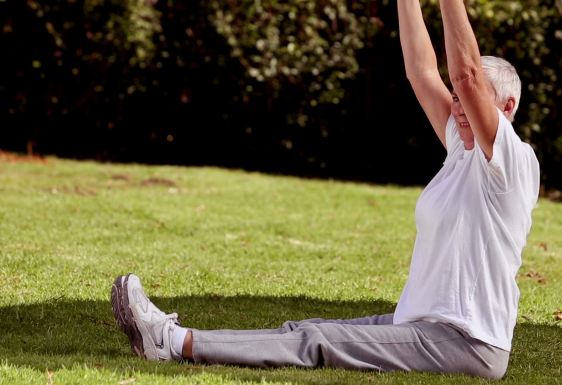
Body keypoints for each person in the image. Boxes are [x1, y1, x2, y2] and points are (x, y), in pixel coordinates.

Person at [110, 0, 539, 380]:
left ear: (507, 108)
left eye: (474, 100)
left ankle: (173, 341)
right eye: (459, 102)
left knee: (317, 341)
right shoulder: (460, 152)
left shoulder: (512, 163)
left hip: (465, 341)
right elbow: (422, 71)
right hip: (420, 325)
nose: (460, 108)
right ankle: (175, 337)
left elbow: (464, 74)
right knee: (301, 330)